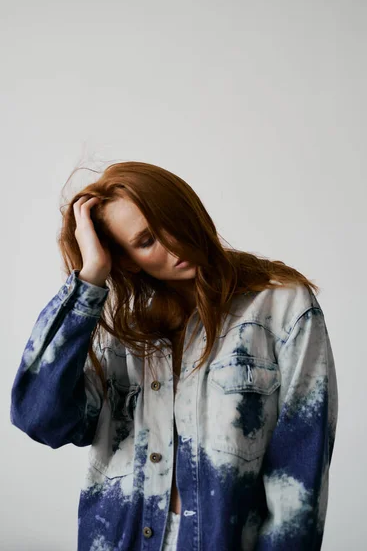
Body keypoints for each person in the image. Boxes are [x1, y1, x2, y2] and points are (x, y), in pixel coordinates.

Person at [10, 160, 338, 551]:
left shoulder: (282, 307)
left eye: (172, 220)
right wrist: (90, 278)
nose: (173, 243)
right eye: (146, 241)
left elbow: (299, 478)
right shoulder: (116, 326)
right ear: (128, 259)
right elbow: (40, 419)